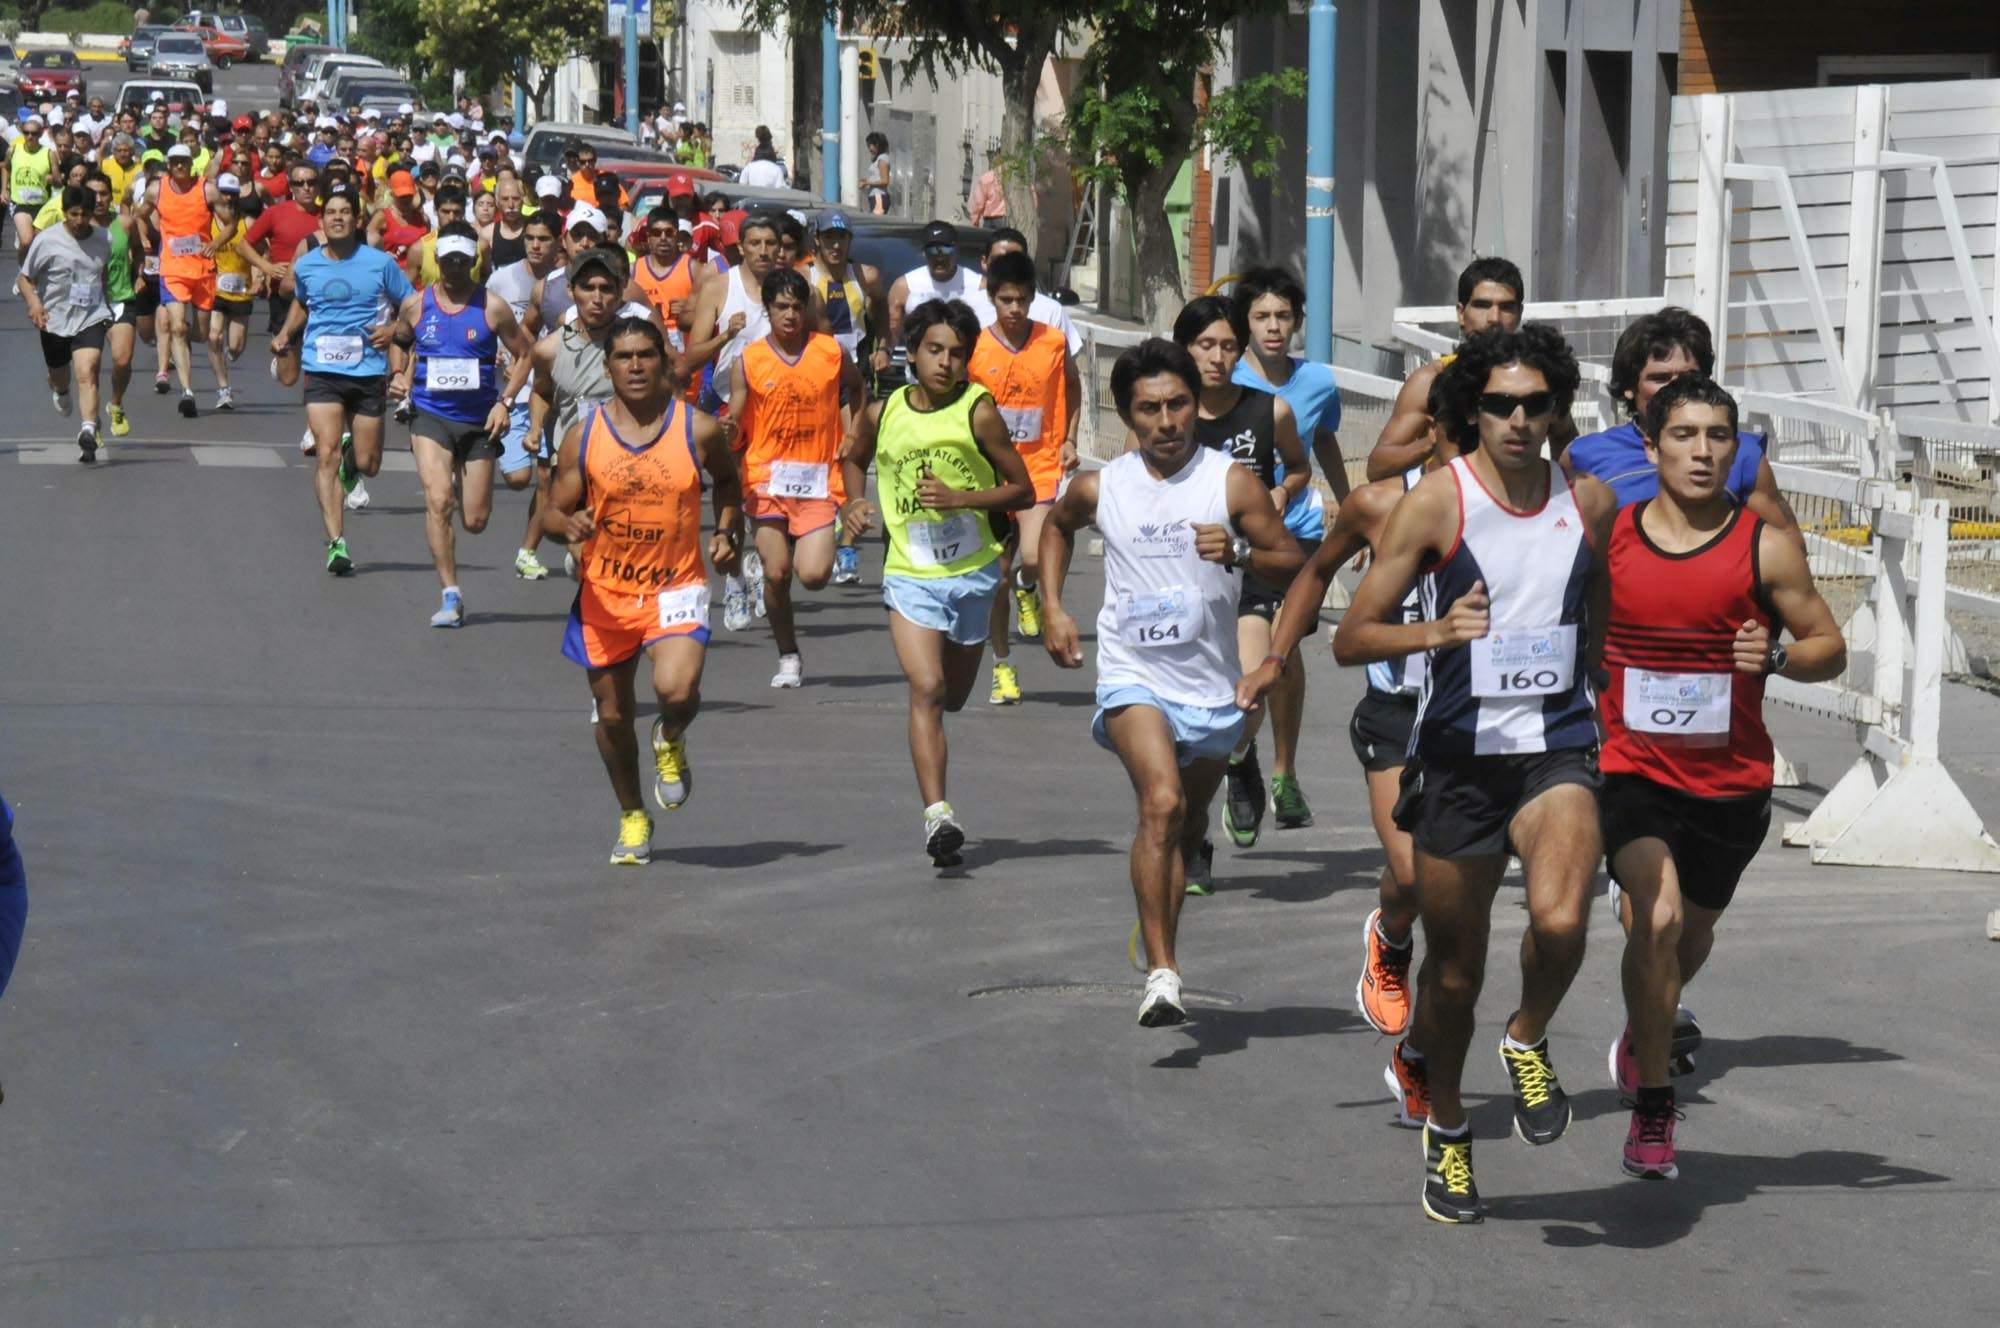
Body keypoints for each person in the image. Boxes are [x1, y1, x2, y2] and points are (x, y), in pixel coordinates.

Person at [1331, 323, 1614, 1225]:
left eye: (1537, 403)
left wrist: (1598, 683)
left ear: (1557, 408)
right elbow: (1351, 636)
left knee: (1563, 918)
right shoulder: (1436, 507)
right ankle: (1447, 1130)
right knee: (1453, 976)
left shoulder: (1591, 501)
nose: (1520, 419)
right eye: (1500, 404)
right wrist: (1435, 634)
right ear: (1472, 412)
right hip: (1457, 757)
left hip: (1555, 746)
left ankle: (1527, 1037)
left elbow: (1593, 606)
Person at [1597, 374, 1844, 1180]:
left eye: (1717, 437)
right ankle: (1656, 1110)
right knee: (1657, 919)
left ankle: (1646, 1029)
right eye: (1684, 434)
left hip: (1730, 782)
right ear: (1652, 445)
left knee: (1688, 935)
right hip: (1628, 767)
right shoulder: (1613, 536)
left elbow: (1827, 647)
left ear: (1735, 449)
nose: (1701, 451)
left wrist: (1774, 654)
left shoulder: (1763, 541)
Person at [1039, 339, 1301, 1026]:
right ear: (1128, 415)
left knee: (1181, 829)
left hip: (1212, 687)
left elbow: (1292, 560)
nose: (1166, 421)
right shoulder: (1103, 485)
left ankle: (1161, 921)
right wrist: (1053, 605)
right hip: (1133, 675)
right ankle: (1163, 972)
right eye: (1148, 409)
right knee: (1158, 803)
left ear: (1195, 405)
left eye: (1177, 404)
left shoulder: (1231, 482)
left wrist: (1239, 549)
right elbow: (1057, 528)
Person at [1239, 373, 1473, 1041]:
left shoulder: (1514, 508)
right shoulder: (1378, 504)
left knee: (1460, 903)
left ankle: (1431, 1051)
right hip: (1398, 710)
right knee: (1409, 872)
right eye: (1455, 436)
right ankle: (1391, 938)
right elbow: (1314, 576)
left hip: (1480, 719)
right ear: (1429, 436)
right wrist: (1275, 660)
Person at [839, 299, 1033, 865]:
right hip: (910, 572)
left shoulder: (979, 412)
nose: (946, 362)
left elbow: (1022, 490)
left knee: (951, 697)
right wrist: (854, 500)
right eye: (935, 350)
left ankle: (938, 787)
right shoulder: (883, 411)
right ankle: (938, 815)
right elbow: (854, 457)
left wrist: (962, 499)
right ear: (913, 353)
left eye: (957, 353)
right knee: (924, 688)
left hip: (972, 574)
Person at [543, 317, 743, 865]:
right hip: (605, 593)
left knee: (676, 692)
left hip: (675, 587)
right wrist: (570, 525)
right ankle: (633, 814)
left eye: (646, 356)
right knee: (611, 717)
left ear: (665, 363)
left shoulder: (696, 428)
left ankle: (671, 737)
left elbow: (728, 482)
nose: (635, 366)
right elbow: (552, 510)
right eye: (624, 357)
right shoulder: (584, 436)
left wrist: (727, 532)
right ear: (607, 368)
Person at [1163, 295, 1309, 870]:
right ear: (1184, 348)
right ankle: (1192, 843)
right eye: (1205, 345)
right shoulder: (1167, 412)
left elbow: (1297, 465)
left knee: (1249, 693)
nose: (1218, 357)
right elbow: (1130, 481)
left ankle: (1242, 756)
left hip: (1248, 568)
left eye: (1228, 346)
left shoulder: (1268, 411)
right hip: (1179, 577)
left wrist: (1282, 491)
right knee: (1178, 724)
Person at [1222, 267, 1344, 837]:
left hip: (1297, 539)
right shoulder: (1226, 375)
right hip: (1231, 541)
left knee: (1284, 654)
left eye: (1283, 317)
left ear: (1298, 321)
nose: (1273, 327)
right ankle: (1237, 757)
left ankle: (1282, 772)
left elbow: (1322, 441)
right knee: (1256, 663)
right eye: (1262, 317)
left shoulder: (1317, 382)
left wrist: (1350, 506)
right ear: (1245, 324)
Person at [389, 220, 536, 627]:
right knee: (438, 500)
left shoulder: (492, 307)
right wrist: (398, 376)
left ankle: (457, 477)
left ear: (474, 262)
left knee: (475, 520)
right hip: (431, 416)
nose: (454, 269)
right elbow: (400, 343)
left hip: (478, 423)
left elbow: (525, 354)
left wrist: (505, 402)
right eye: (449, 261)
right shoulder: (417, 306)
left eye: (462, 262)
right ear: (437, 260)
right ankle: (450, 594)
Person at [271, 181, 416, 575]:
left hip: (368, 370)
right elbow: (302, 302)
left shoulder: (380, 263)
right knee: (325, 454)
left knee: (368, 464)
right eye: (331, 212)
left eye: (345, 212)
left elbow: (413, 305)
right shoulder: (309, 264)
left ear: (357, 219)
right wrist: (287, 333)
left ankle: (354, 464)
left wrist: (395, 331)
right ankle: (337, 543)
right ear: (322, 220)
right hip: (322, 369)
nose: (337, 218)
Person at [730, 267, 865, 687]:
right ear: (767, 310)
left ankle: (775, 565)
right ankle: (788, 654)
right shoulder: (749, 360)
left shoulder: (829, 351)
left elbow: (858, 389)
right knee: (777, 574)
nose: (790, 315)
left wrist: (855, 432)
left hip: (817, 481)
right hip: (766, 480)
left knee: (813, 576)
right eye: (781, 307)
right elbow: (736, 414)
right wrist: (727, 429)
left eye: (796, 306)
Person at [1564, 306, 1797, 533]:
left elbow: (1789, 544)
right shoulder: (1585, 454)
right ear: (1629, 386)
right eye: (1660, 378)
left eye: (1689, 376)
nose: (1675, 387)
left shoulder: (1744, 455)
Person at [967, 250, 1079, 705]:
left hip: (1038, 468)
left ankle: (1029, 588)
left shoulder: (1051, 342)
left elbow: (1072, 384)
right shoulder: (975, 347)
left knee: (1031, 558)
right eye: (1006, 300)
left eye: (1022, 301)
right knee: (995, 579)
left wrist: (1068, 436)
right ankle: (1002, 665)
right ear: (992, 299)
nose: (1015, 310)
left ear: (1034, 300)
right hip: (989, 475)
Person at [1366, 257, 1529, 479]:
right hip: (1448, 506)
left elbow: (1568, 445)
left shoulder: (1536, 380)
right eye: (1482, 305)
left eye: (1506, 307)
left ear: (1519, 313)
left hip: (1517, 505)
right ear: (1461, 313)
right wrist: (1434, 441)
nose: (1494, 318)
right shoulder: (1430, 380)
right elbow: (1377, 467)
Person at [487, 211, 566, 581]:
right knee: (519, 478)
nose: (535, 245)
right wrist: (502, 354)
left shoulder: (571, 284)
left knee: (548, 477)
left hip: (555, 391)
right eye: (530, 238)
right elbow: (486, 322)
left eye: (544, 239)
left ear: (557, 243)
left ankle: (528, 550)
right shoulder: (504, 278)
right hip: (516, 390)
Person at [17, 183, 113, 462]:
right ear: (64, 212)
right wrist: (34, 302)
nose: (80, 221)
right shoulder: (47, 240)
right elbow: (24, 278)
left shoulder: (104, 239)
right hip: (55, 319)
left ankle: (87, 431)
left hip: (91, 315)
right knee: (61, 376)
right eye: (74, 214)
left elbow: (108, 276)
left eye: (84, 214)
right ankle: (60, 389)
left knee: (88, 371)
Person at [134, 142, 222, 420]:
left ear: (190, 163)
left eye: (184, 161)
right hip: (172, 269)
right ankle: (188, 392)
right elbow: (139, 214)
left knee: (201, 332)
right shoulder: (156, 189)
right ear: (168, 165)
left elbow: (230, 222)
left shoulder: (206, 189)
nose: (180, 166)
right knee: (177, 327)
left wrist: (217, 242)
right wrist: (146, 238)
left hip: (203, 268)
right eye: (174, 162)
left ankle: (191, 342)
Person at [88, 171, 139, 439]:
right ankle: (91, 421)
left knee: (122, 358)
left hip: (120, 297)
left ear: (111, 196)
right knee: (91, 365)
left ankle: (115, 404)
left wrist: (139, 275)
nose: (98, 199)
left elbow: (139, 251)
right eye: (92, 194)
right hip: (88, 304)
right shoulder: (76, 227)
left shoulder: (125, 223)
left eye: (103, 193)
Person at [204, 173, 252, 409]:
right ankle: (224, 389)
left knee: (235, 346)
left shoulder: (247, 222)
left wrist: (261, 274)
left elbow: (263, 250)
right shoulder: (207, 221)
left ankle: (228, 357)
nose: (227, 198)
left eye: (232, 194)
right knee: (214, 337)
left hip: (241, 290)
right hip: (215, 288)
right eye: (224, 193)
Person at [887, 221, 972, 348]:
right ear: (923, 252)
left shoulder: (979, 285)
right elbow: (892, 332)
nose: (939, 257)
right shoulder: (904, 286)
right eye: (933, 250)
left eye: (945, 249)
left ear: (957, 250)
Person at [8, 115, 55, 261]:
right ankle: (23, 272)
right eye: (26, 133)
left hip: (41, 205)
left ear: (40, 134)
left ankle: (33, 272)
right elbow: (5, 167)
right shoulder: (13, 150)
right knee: (27, 240)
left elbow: (58, 179)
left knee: (39, 243)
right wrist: (4, 189)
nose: (30, 137)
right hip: (20, 204)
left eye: (34, 134)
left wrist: (52, 179)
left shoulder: (48, 153)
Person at [967, 149, 1005, 229]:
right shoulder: (1018, 178)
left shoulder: (987, 178)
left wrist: (975, 221)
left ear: (997, 157)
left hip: (990, 222)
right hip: (1008, 220)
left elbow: (979, 203)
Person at [861, 131, 890, 214]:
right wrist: (866, 181)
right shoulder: (877, 159)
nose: (869, 149)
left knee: (878, 224)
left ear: (877, 144)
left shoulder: (882, 159)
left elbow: (885, 181)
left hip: (879, 197)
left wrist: (867, 182)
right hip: (875, 197)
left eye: (870, 145)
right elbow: (877, 177)